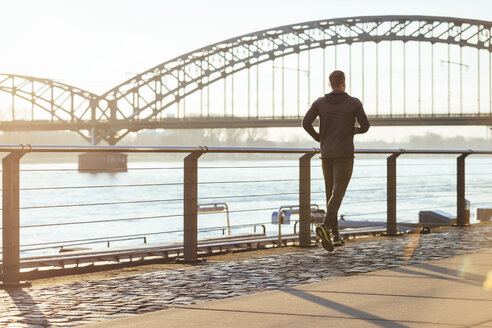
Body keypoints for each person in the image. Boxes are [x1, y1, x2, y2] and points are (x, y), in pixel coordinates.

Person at [302, 70, 370, 252]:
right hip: (345, 153)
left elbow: (305, 123)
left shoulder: (320, 103)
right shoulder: (354, 103)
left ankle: (335, 236)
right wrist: (352, 131)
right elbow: (366, 126)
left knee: (330, 193)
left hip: (327, 153)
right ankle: (325, 226)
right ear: (344, 83)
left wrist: (320, 139)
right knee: (338, 191)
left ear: (329, 83)